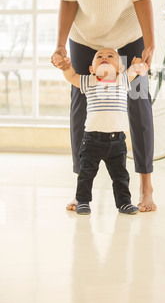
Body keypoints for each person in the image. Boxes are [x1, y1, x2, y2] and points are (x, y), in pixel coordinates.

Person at [50, 0, 156, 212]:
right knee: (80, 103)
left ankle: (146, 186)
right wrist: (60, 45)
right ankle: (81, 188)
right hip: (85, 38)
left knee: (139, 101)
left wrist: (150, 44)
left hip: (129, 32)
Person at [52, 48, 149, 215]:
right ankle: (83, 201)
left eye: (110, 56)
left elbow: (136, 70)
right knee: (86, 174)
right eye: (99, 57)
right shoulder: (89, 81)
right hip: (92, 140)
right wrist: (66, 67)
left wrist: (140, 66)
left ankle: (124, 202)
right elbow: (72, 77)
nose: (105, 57)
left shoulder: (123, 79)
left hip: (117, 141)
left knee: (121, 177)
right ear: (92, 69)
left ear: (120, 68)